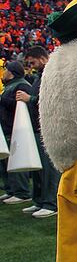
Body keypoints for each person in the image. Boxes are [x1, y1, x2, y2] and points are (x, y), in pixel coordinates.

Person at [15, 46, 60, 218]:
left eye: (32, 62)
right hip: (37, 128)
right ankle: (40, 201)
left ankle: (51, 203)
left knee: (49, 170)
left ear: (41, 58)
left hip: (48, 129)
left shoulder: (52, 74)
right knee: (38, 169)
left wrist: (30, 99)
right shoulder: (39, 77)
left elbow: (53, 100)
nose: (31, 66)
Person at [0, 61, 33, 205]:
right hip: (8, 127)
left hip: (16, 128)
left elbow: (20, 105)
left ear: (12, 72)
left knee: (15, 161)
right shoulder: (10, 85)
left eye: (6, 69)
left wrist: (1, 98)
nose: (4, 72)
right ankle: (11, 190)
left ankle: (21, 192)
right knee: (6, 162)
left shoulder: (22, 85)